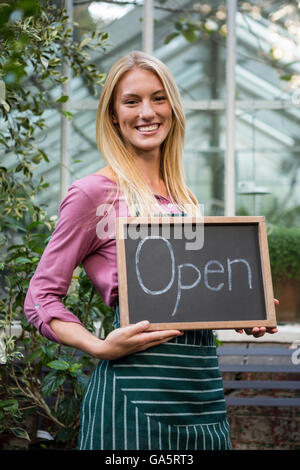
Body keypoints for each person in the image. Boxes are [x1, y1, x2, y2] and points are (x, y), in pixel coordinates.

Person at [24, 50, 278, 450]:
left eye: (158, 98)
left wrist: (244, 307)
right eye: (132, 101)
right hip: (134, 400)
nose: (147, 112)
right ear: (113, 114)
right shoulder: (94, 194)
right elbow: (40, 296)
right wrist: (98, 345)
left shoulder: (182, 196)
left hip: (203, 399)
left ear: (172, 108)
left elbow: (189, 296)